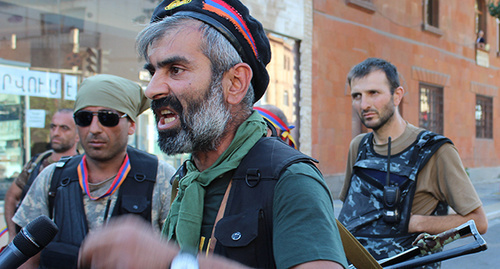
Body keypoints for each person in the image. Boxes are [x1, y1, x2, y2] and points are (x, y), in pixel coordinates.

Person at [78, 0, 348, 268]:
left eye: (175, 70)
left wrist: (175, 262)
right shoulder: (186, 179)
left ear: (235, 83)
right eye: (152, 71)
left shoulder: (290, 180)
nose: (151, 89)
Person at [13, 74, 176, 269]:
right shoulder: (52, 178)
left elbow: (177, 253)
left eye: (108, 118)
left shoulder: (161, 177)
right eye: (84, 118)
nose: (94, 129)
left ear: (131, 124)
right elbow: (27, 259)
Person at [337, 57, 488, 264]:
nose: (364, 104)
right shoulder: (359, 146)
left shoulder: (435, 151)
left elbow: (478, 222)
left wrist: (416, 223)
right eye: (357, 96)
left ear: (397, 95)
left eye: (374, 93)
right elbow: (351, 212)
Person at [4, 108, 80, 241]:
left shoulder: (82, 169)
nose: (56, 133)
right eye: (53, 127)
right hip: (31, 247)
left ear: (78, 135)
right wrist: (12, 235)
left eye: (64, 128)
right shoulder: (36, 163)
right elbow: (11, 196)